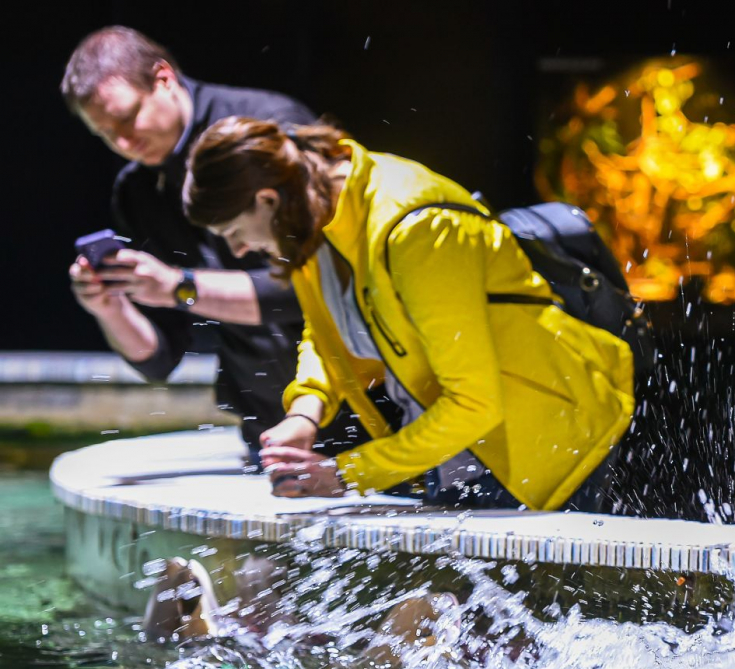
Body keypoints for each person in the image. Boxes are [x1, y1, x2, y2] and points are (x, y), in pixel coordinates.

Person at [183, 117, 635, 511]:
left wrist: (345, 475)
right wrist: (305, 411)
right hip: (460, 451)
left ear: (267, 200)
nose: (238, 250)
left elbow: (473, 404)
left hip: (544, 442)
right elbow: (325, 333)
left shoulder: (415, 227)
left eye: (234, 232)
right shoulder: (313, 215)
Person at [61, 26, 325, 459]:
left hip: (360, 406)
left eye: (127, 119)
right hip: (268, 426)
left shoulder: (269, 128)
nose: (123, 143)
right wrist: (110, 307)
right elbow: (161, 358)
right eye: (106, 134)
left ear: (164, 78)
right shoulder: (137, 191)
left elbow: (325, 288)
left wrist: (182, 287)